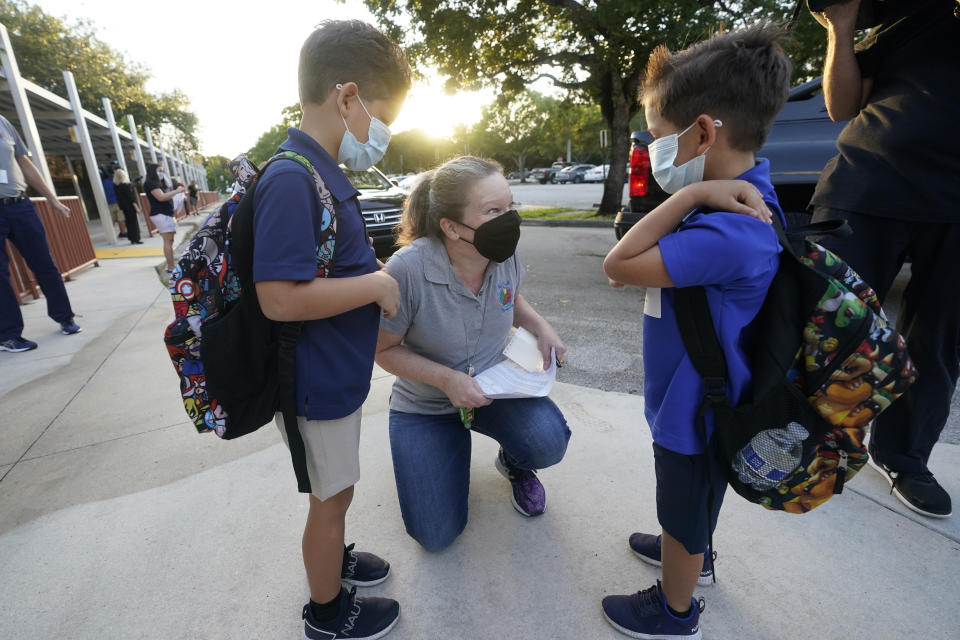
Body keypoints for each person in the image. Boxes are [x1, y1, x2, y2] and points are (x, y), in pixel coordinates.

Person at [600, 24, 791, 639]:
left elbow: (618, 265)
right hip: (706, 394)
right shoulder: (744, 204)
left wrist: (689, 197)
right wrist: (702, 195)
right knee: (697, 495)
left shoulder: (725, 225)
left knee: (682, 502)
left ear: (704, 133)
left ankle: (674, 610)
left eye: (657, 139)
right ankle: (691, 556)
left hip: (694, 406)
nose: (651, 152)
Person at [251, 20, 410, 640]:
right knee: (330, 498)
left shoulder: (316, 169)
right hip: (315, 383)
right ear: (346, 98)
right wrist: (373, 285)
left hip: (332, 376)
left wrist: (364, 269)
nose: (383, 134)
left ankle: (335, 556)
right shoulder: (294, 177)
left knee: (335, 490)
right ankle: (327, 611)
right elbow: (280, 299)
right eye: (381, 115)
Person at [808, 0, 958, 519]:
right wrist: (843, 26)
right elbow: (841, 104)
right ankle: (804, 438)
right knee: (828, 325)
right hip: (868, 182)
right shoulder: (914, 19)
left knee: (937, 340)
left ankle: (902, 456)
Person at [375, 156, 571, 551]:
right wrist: (447, 380)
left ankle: (514, 462)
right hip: (427, 403)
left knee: (548, 441)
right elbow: (383, 351)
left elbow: (509, 295)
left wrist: (540, 325)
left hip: (492, 388)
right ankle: (444, 450)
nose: (509, 220)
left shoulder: (505, 253)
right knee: (435, 536)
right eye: (493, 211)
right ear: (450, 227)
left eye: (510, 206)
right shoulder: (406, 270)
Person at [0, 114, 82, 353]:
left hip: (20, 205)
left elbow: (24, 163)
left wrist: (52, 199)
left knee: (44, 263)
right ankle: (8, 335)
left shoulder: (4, 122)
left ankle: (64, 317)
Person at [143, 162, 183, 276]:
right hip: (161, 215)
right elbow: (161, 197)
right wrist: (177, 191)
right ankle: (171, 267)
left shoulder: (158, 184)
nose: (162, 173)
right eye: (159, 171)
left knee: (170, 240)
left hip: (165, 214)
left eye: (162, 171)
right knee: (167, 240)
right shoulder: (150, 184)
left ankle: (171, 265)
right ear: (153, 172)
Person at [112, 168, 142, 245]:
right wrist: (136, 207)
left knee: (128, 223)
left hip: (123, 207)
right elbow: (131, 198)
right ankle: (136, 238)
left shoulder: (116, 186)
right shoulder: (125, 185)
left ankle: (132, 239)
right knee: (134, 223)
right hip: (130, 207)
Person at [100, 162, 126, 238]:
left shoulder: (102, 182)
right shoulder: (115, 181)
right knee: (121, 218)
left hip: (108, 202)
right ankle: (123, 233)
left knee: (112, 219)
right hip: (118, 201)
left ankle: (110, 234)